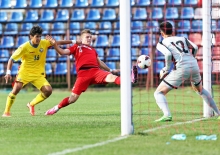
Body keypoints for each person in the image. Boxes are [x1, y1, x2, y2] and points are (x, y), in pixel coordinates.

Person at [45, 29, 138, 115]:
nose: (89, 39)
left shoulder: (93, 50)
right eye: (87, 37)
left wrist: (110, 70)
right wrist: (55, 45)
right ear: (81, 38)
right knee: (72, 99)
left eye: (90, 37)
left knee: (112, 77)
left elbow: (99, 62)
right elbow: (62, 52)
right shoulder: (76, 47)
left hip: (96, 71)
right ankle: (56, 108)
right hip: (83, 74)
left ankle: (130, 78)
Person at [154, 21, 220, 122]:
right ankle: (218, 113)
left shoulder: (161, 43)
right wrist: (192, 57)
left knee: (158, 93)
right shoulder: (182, 38)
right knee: (200, 90)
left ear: (162, 33)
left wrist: (166, 69)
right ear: (173, 30)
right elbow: (195, 47)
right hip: (194, 65)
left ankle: (167, 115)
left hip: (181, 67)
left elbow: (167, 54)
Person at [2, 25, 73, 117]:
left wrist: (74, 41)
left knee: (48, 91)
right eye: (36, 36)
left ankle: (31, 104)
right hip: (25, 72)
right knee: (16, 89)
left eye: (40, 36)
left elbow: (57, 42)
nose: (38, 38)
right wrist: (8, 72)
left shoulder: (44, 43)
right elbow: (11, 59)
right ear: (31, 36)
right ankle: (6, 112)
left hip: (38, 74)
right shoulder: (24, 47)